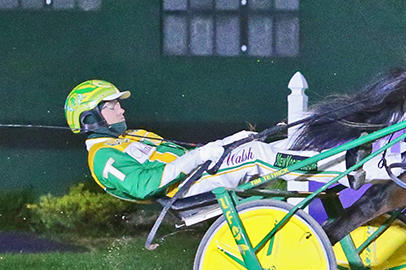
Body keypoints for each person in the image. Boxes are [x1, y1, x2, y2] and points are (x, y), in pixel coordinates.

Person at [65, 79, 354, 202]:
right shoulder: (103, 156)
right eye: (112, 106)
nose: (122, 109)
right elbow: (143, 186)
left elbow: (190, 152)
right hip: (185, 192)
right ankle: (339, 169)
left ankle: (339, 158)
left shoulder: (134, 135)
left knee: (275, 147)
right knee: (255, 153)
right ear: (90, 119)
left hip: (200, 175)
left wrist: (230, 142)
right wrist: (202, 157)